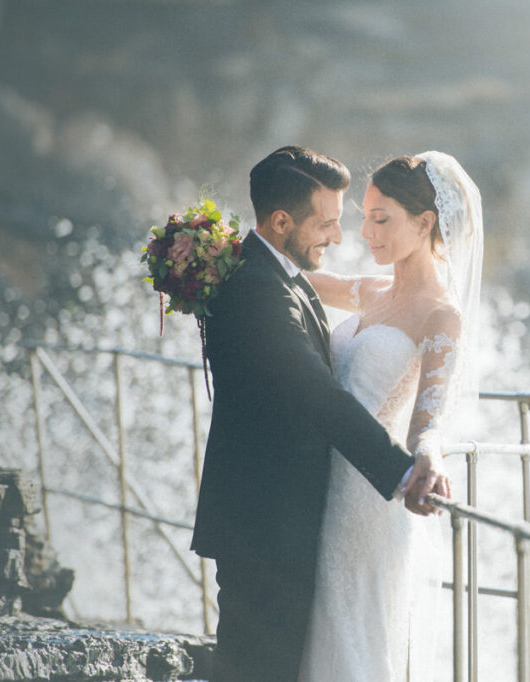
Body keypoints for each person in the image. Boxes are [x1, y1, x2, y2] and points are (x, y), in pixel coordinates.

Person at [190, 145, 449, 682]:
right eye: (329, 223)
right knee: (259, 666)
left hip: (316, 512)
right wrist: (401, 471)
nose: (341, 236)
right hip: (267, 520)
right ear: (281, 221)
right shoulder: (262, 289)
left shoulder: (279, 272)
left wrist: (424, 449)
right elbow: (314, 390)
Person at [298, 151, 483, 681]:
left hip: (365, 501)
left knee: (352, 640)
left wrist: (428, 454)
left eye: (382, 219)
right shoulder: (372, 290)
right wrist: (216, 255)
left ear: (424, 224)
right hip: (316, 481)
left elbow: (430, 417)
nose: (366, 232)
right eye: (365, 216)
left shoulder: (440, 314)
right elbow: (293, 276)